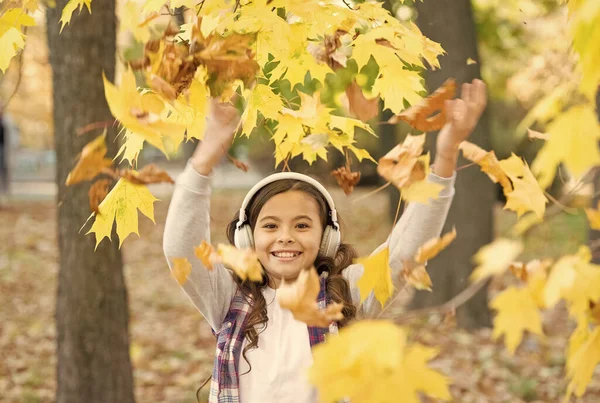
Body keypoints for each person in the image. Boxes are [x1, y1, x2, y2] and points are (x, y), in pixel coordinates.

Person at [163, 79, 488, 403]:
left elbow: (405, 253)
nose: (285, 237)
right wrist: (206, 157)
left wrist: (444, 159)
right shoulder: (228, 298)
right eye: (271, 225)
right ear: (248, 237)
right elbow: (181, 249)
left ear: (326, 237)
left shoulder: (346, 295)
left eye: (302, 225)